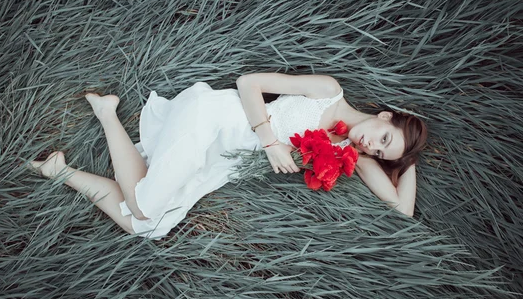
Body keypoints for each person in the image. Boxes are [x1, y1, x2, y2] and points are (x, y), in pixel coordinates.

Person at [29, 73, 427, 240]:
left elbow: (401, 210)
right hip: (217, 120)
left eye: (380, 151)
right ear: (384, 116)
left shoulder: (347, 153)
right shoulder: (328, 90)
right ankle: (106, 115)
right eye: (383, 136)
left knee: (151, 227)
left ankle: (63, 169)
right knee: (146, 206)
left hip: (224, 158)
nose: (371, 145)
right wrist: (271, 141)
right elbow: (248, 82)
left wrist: (406, 161)